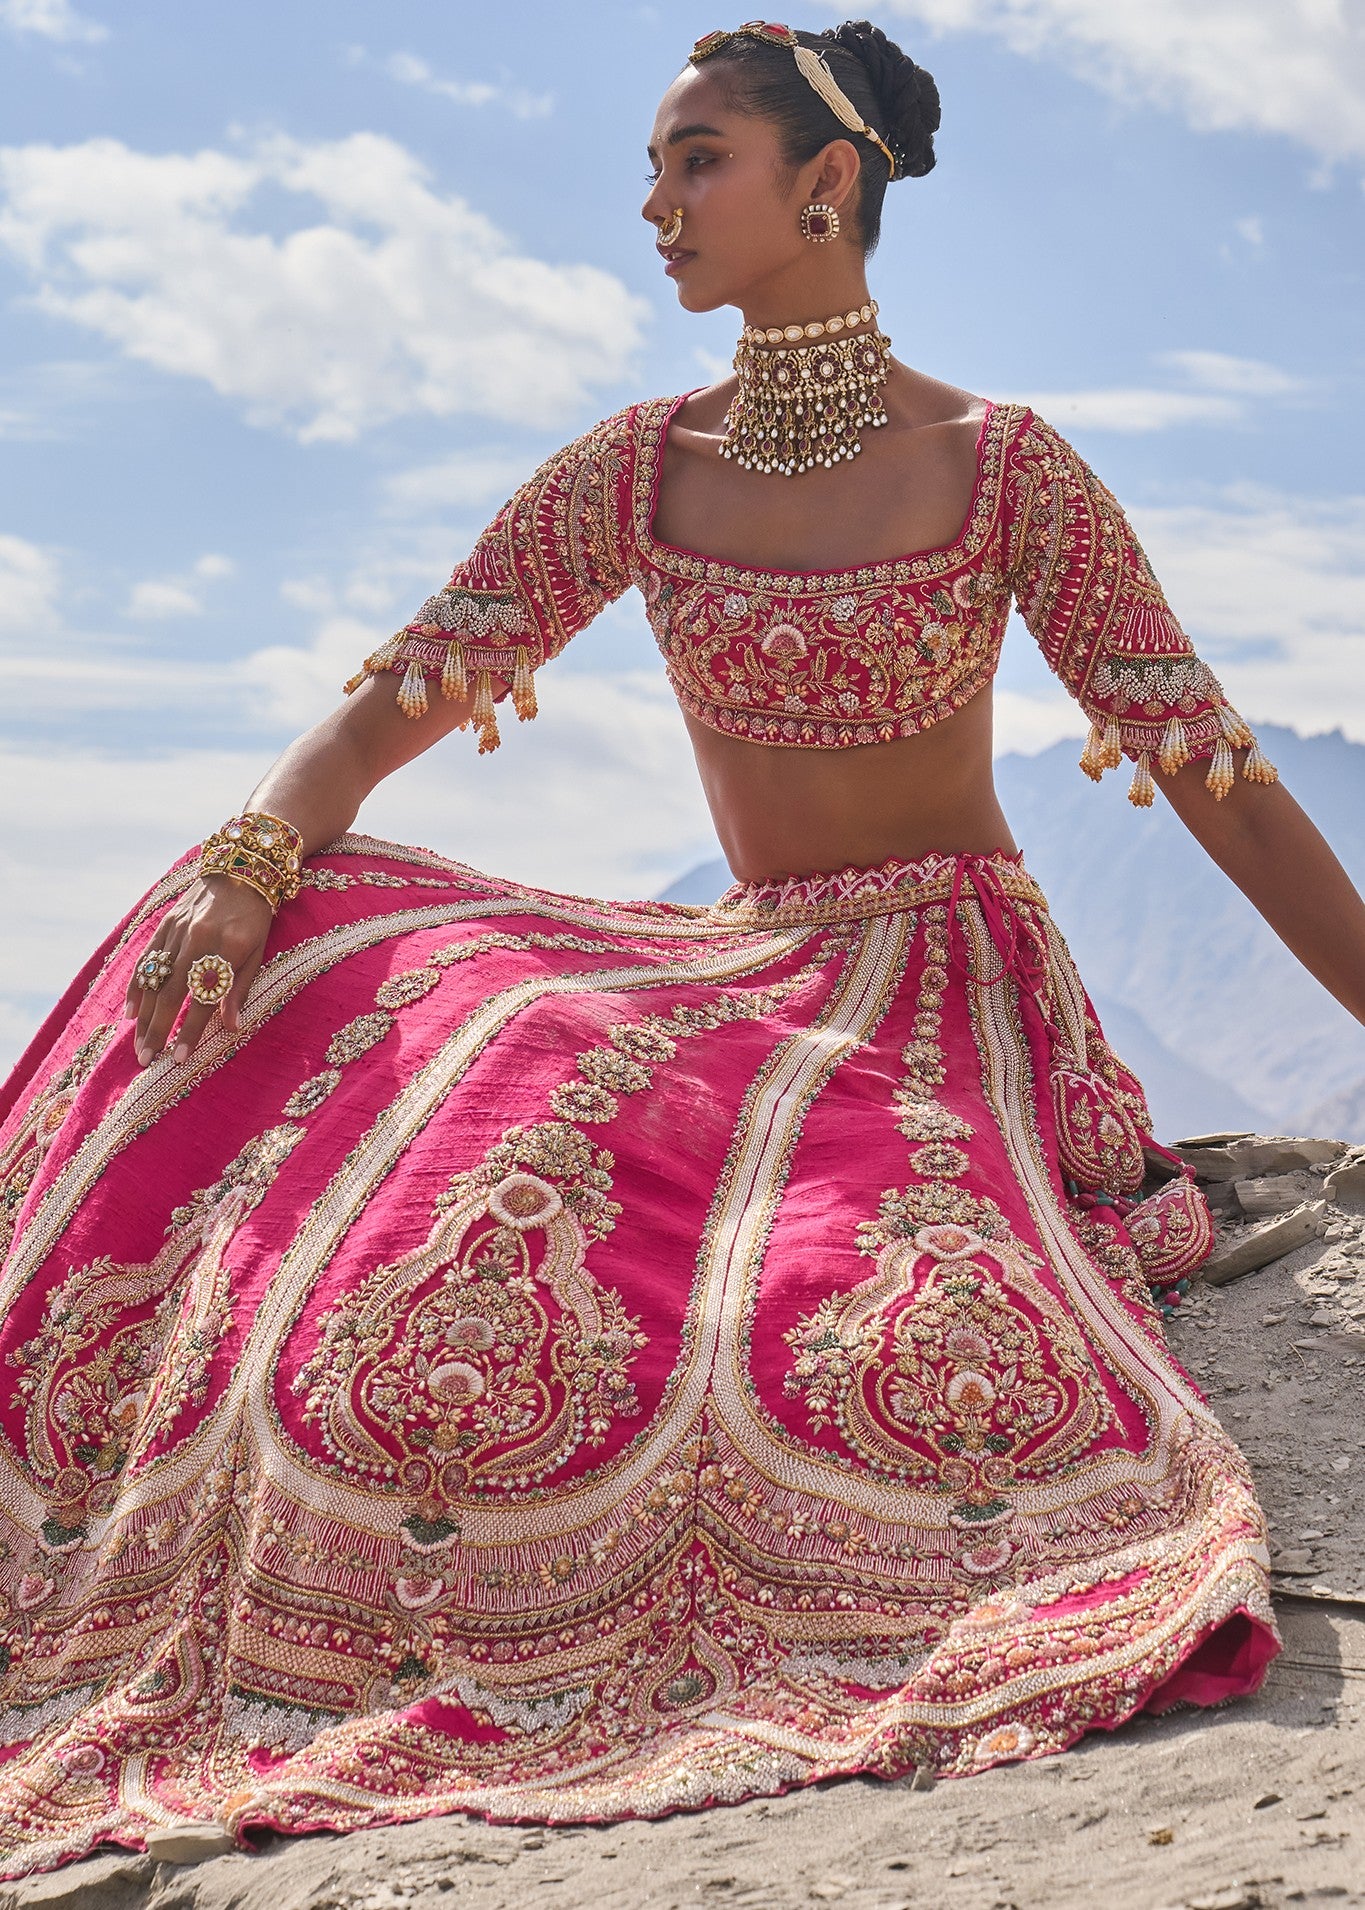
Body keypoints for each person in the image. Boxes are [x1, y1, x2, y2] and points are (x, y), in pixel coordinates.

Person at [1, 17, 1362, 1879]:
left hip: (936, 977)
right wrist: (244, 867)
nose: (652, 204)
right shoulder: (637, 471)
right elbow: (389, 706)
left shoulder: (1005, 469)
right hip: (739, 968)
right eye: (650, 166)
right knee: (336, 926)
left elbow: (1215, 778)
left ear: (827, 184)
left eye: (693, 158)